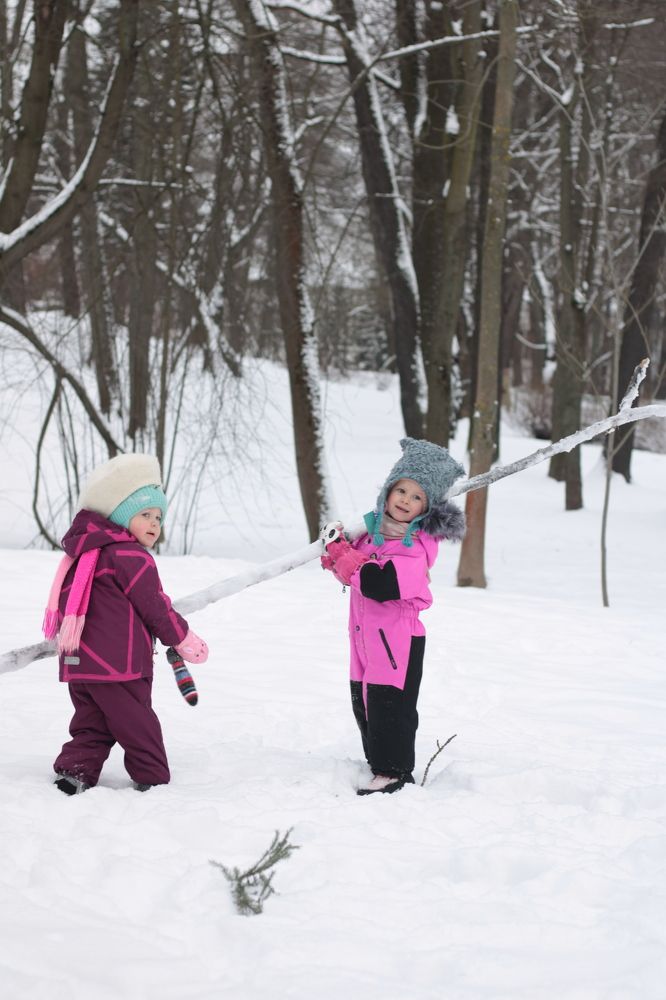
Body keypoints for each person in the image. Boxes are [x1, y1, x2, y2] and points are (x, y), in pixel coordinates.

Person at [42, 453, 208, 795]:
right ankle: (152, 777)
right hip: (119, 665)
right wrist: (182, 638)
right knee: (136, 722)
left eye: (159, 517)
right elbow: (155, 608)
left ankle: (74, 773)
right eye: (144, 514)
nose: (154, 523)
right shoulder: (130, 557)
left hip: (80, 662)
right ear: (121, 516)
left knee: (92, 722)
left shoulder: (86, 556)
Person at [320, 437, 466, 796]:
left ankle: (394, 771)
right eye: (401, 490)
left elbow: (376, 582)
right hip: (365, 637)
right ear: (387, 491)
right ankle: (377, 763)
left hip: (396, 642)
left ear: (426, 508)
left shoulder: (415, 548)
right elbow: (350, 572)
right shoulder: (373, 536)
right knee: (366, 702)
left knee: (391, 708)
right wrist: (335, 551)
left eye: (417, 497)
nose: (405, 500)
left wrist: (343, 556)